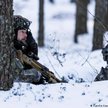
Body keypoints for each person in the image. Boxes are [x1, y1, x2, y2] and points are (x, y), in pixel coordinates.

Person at [13, 15, 44, 84]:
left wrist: (32, 45)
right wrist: (36, 75)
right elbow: (17, 76)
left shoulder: (18, 46)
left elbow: (30, 62)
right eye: (22, 32)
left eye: (26, 32)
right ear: (14, 32)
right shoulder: (8, 49)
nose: (26, 35)